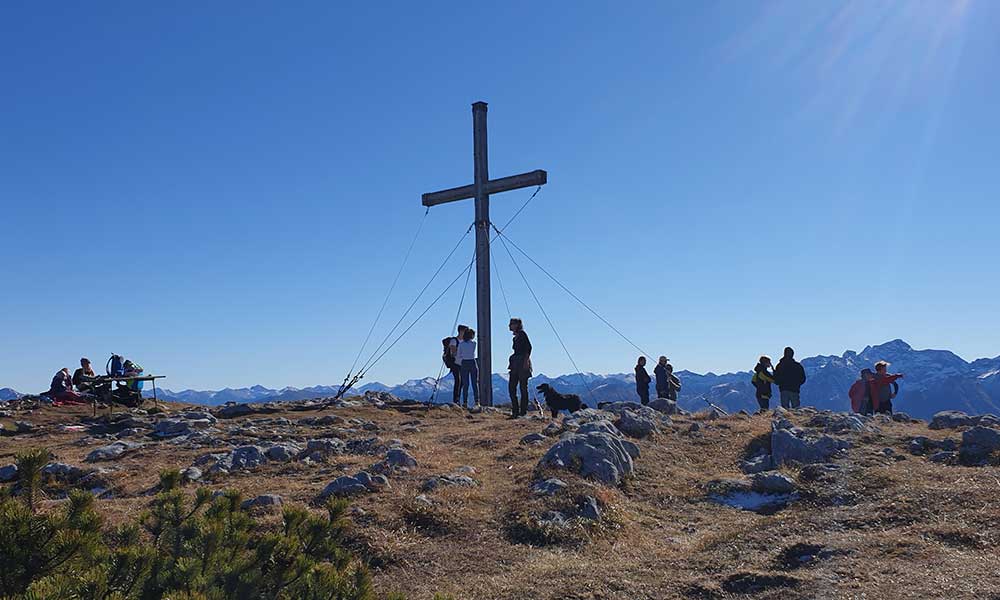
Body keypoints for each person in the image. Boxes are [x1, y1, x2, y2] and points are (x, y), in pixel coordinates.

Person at [508, 318, 532, 418]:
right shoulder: (516, 337)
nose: (509, 326)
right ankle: (516, 410)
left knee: (523, 387)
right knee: (512, 387)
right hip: (515, 363)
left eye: (511, 324)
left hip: (522, 362)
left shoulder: (522, 334)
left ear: (517, 325)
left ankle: (522, 411)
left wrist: (526, 361)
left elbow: (529, 347)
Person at [443, 325, 468, 405]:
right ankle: (456, 400)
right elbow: (453, 352)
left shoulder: (464, 341)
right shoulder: (454, 341)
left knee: (462, 382)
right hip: (455, 363)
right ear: (461, 331)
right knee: (458, 380)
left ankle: (457, 399)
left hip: (462, 363)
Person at [457, 328, 479, 408]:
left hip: (464, 362)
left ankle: (465, 402)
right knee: (474, 383)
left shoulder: (461, 344)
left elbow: (459, 355)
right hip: (472, 362)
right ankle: (477, 401)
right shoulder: (474, 344)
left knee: (465, 384)